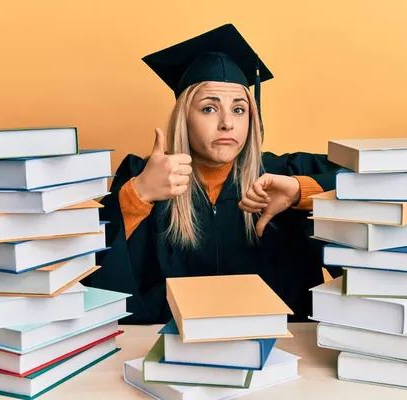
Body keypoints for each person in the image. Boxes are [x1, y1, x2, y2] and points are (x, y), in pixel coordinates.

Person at [83, 24, 342, 324]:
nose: (227, 124)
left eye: (239, 109)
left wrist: (301, 192)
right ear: (183, 118)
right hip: (168, 347)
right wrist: (137, 196)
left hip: (281, 352)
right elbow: (93, 273)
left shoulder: (284, 175)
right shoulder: (145, 178)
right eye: (208, 109)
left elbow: (374, 186)